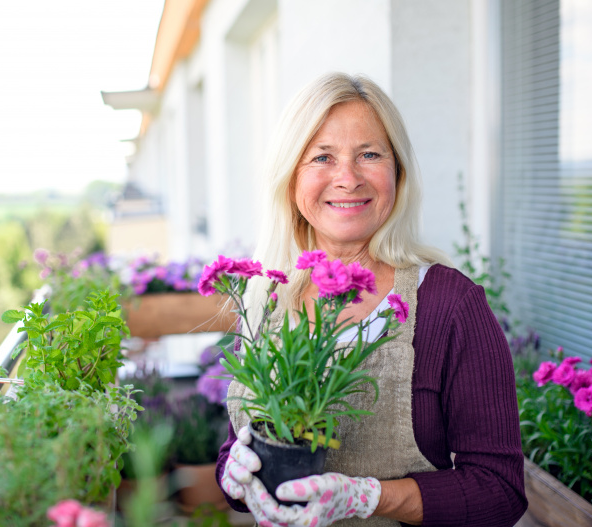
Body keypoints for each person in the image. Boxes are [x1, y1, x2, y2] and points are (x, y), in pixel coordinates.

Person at [214, 72, 527, 526]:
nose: (348, 178)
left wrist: (367, 497)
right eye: (322, 156)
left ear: (397, 171)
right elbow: (238, 446)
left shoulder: (448, 303)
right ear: (289, 177)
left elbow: (500, 490)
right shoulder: (266, 297)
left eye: (369, 154)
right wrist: (235, 474)